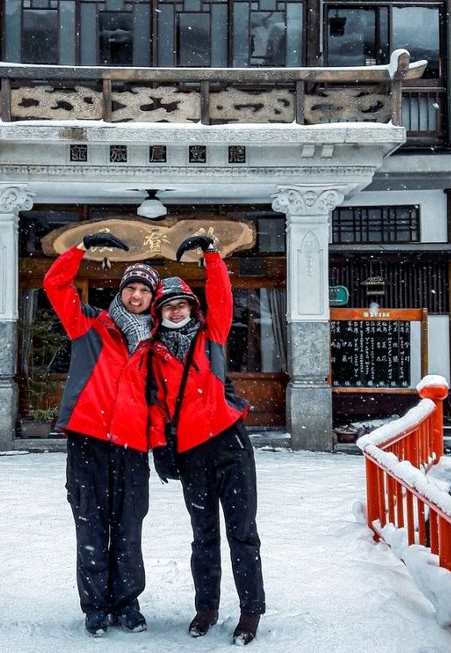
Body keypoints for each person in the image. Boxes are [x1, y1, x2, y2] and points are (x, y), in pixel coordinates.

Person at [149, 235, 265, 646]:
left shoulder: (211, 335)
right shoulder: (154, 353)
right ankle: (207, 608)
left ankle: (251, 611)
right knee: (203, 536)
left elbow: (222, 296)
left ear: (192, 308)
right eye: (168, 306)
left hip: (230, 446)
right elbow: (157, 405)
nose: (176, 310)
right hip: (191, 454)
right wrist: (159, 447)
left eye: (181, 304)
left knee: (242, 532)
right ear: (159, 314)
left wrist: (211, 256)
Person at [43, 232, 160, 637]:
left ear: (152, 298)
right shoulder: (89, 324)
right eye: (131, 287)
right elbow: (54, 285)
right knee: (90, 525)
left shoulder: (158, 343)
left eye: (144, 289)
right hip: (89, 439)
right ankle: (94, 607)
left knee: (129, 527)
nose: (136, 295)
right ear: (121, 291)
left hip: (132, 446)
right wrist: (80, 248)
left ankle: (127, 603)